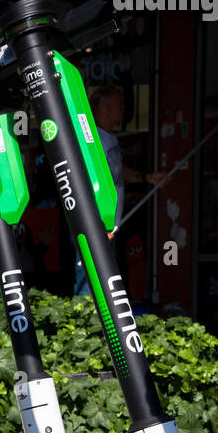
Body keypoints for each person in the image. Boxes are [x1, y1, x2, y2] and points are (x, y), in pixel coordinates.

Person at [73, 84, 162, 295]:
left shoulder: (107, 138)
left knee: (101, 280)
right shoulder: (92, 139)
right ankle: (85, 322)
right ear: (106, 107)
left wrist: (145, 178)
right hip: (96, 225)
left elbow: (117, 171)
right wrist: (98, 224)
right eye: (119, 104)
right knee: (90, 280)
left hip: (108, 226)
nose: (124, 108)